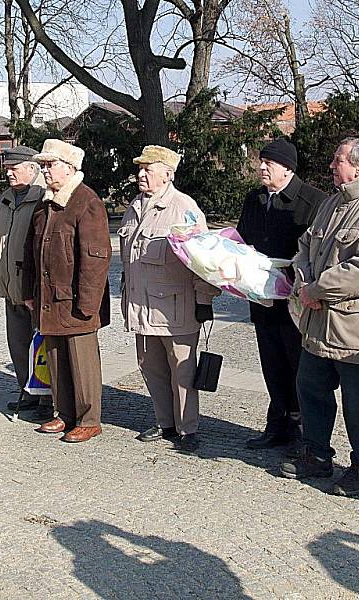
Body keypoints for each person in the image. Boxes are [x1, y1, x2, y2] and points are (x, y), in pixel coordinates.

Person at [281, 137, 359, 497]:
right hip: (316, 323)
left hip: (355, 331)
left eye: (338, 160)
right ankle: (317, 454)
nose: (331, 166)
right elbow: (305, 246)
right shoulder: (332, 203)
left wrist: (316, 290)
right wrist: (304, 283)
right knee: (310, 388)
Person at [118, 145, 220, 453]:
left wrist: (204, 300)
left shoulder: (183, 208)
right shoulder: (135, 206)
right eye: (140, 169)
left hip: (176, 307)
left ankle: (188, 428)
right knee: (150, 366)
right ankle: (166, 423)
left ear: (168, 174)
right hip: (141, 306)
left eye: (148, 169)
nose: (141, 174)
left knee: (183, 370)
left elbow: (204, 260)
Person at [237, 138, 326, 454]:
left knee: (299, 366)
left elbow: (319, 252)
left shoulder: (314, 201)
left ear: (288, 168)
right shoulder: (255, 199)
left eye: (269, 163)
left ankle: (303, 431)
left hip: (296, 300)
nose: (261, 167)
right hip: (261, 299)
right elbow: (243, 241)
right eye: (261, 161)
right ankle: (277, 425)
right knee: (271, 363)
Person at [21, 139, 111, 443]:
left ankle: (89, 419)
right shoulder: (45, 203)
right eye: (43, 165)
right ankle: (64, 413)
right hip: (49, 298)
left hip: (76, 301)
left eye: (50, 164)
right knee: (57, 359)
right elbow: (30, 251)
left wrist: (88, 304)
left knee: (82, 362)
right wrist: (29, 291)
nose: (44, 170)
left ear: (70, 168)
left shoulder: (86, 201)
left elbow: (96, 258)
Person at [0, 145, 53, 420]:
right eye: (7, 169)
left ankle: (47, 399)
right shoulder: (5, 199)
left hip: (32, 289)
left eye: (14, 169)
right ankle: (26, 392)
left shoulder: (42, 197)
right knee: (17, 343)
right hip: (8, 285)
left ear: (32, 168)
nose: (9, 174)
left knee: (40, 345)